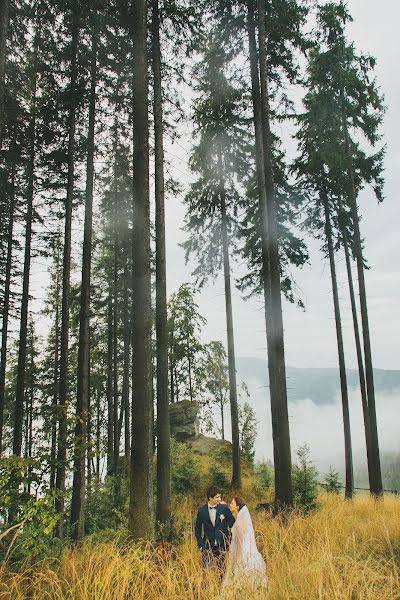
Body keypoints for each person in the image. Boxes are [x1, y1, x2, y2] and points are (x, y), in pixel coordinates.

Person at [223, 496, 268, 590]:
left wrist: (237, 560)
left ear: (237, 507)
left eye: (232, 503)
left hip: (241, 555)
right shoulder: (239, 520)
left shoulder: (239, 523)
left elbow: (240, 542)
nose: (230, 505)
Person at [194, 485, 235, 578]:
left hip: (222, 546)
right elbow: (197, 530)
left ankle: (221, 591)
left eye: (220, 497)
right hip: (207, 547)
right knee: (206, 573)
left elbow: (232, 525)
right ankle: (208, 591)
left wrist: (229, 542)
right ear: (210, 498)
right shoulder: (201, 511)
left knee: (222, 572)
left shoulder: (224, 508)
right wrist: (201, 546)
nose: (219, 499)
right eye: (217, 497)